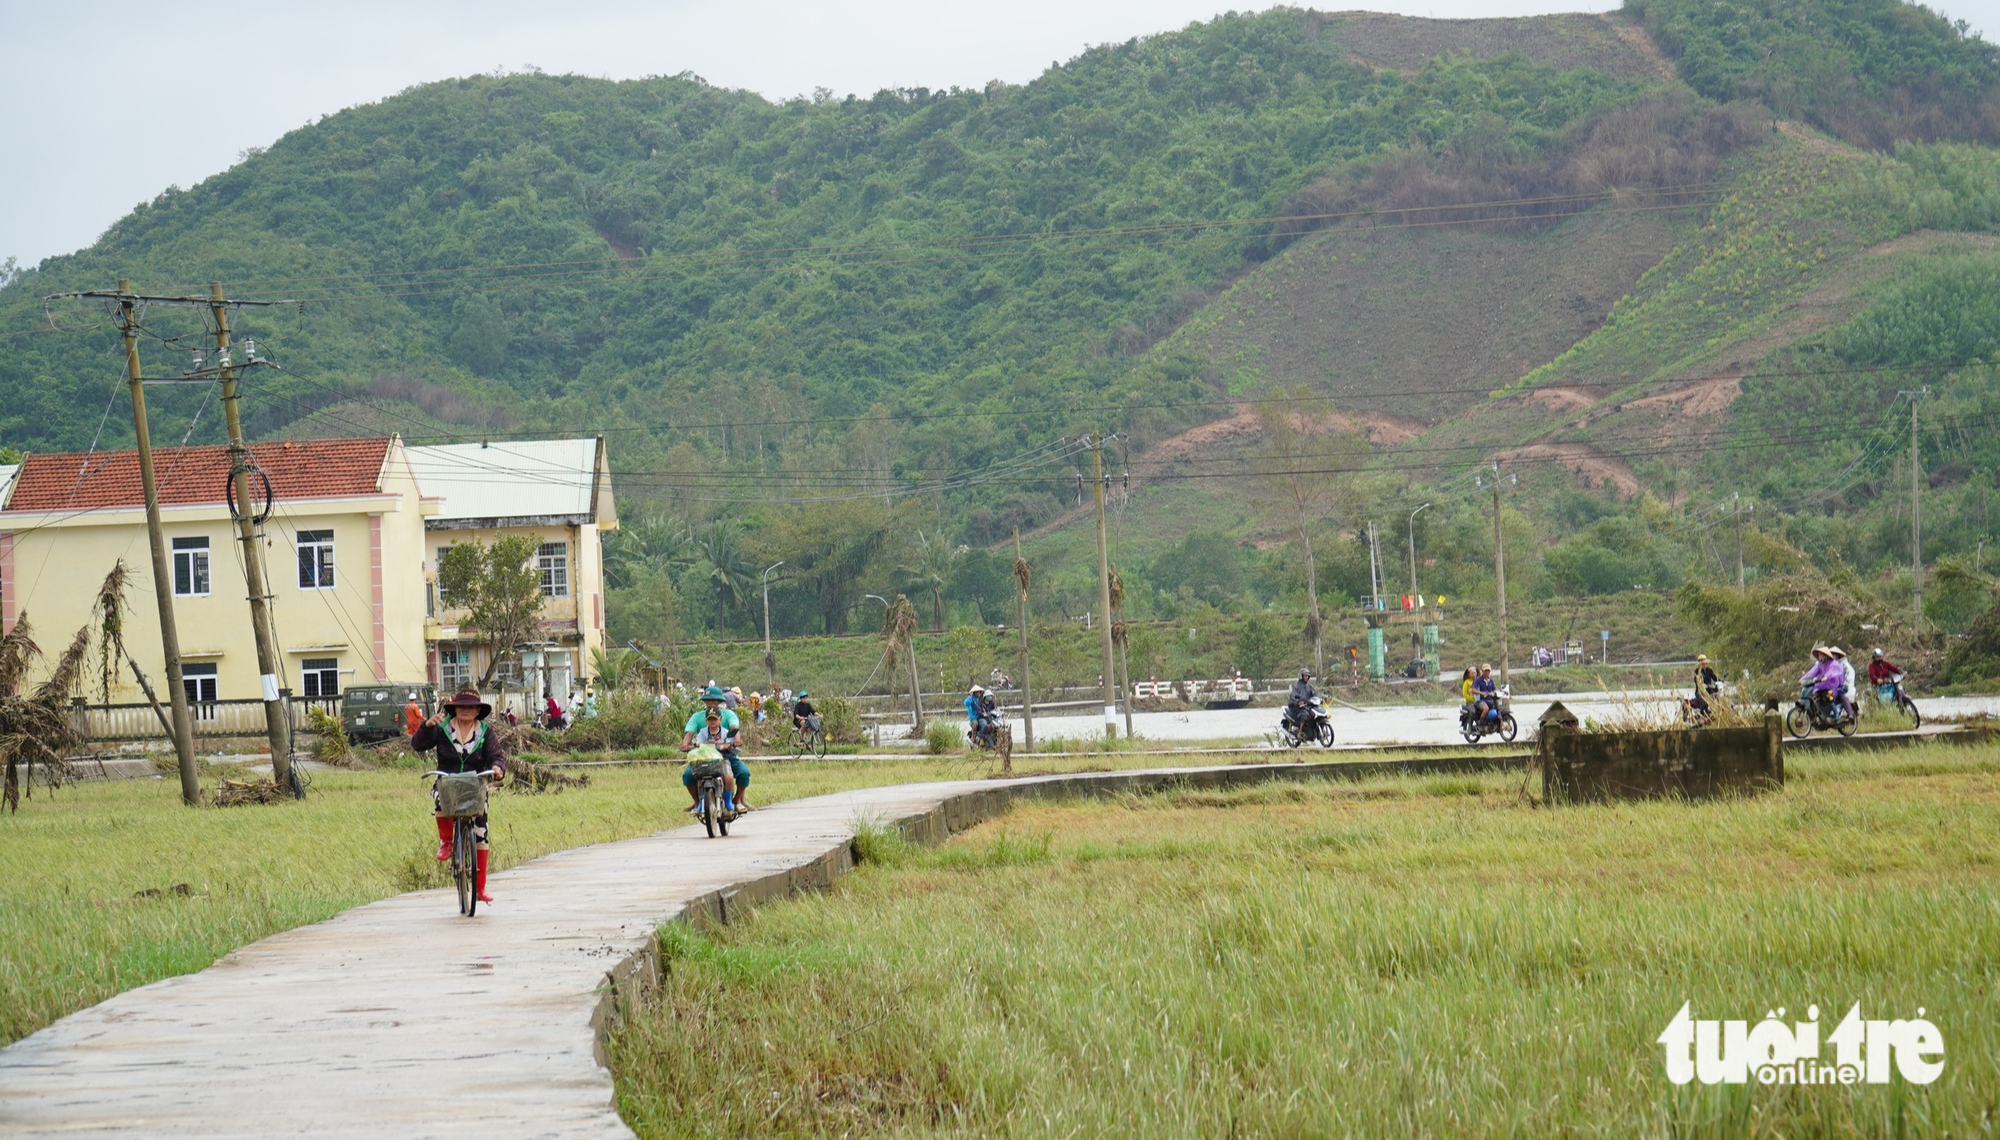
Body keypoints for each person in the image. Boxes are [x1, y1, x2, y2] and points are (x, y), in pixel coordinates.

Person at [412, 689, 506, 904]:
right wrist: (426, 726)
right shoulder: (441, 728)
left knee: (481, 832)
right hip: (447, 781)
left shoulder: (485, 731)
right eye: (461, 706)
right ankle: (447, 842)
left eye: (471, 706)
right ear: (454, 708)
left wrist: (497, 768)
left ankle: (480, 889)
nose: (466, 710)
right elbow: (417, 745)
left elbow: (497, 756)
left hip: (475, 784)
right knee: (439, 800)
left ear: (477, 711)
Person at [681, 685, 752, 810]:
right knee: (688, 776)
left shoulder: (728, 714)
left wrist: (737, 740)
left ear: (719, 702)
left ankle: (736, 800)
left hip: (725, 756)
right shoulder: (698, 718)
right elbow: (690, 733)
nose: (710, 703)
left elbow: (734, 728)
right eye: (708, 700)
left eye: (713, 700)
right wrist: (685, 744)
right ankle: (698, 802)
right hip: (704, 757)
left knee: (744, 773)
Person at [681, 709, 740, 814]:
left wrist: (727, 744)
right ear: (706, 720)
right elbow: (698, 741)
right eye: (710, 719)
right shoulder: (703, 732)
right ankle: (700, 802)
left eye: (715, 719)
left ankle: (727, 801)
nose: (712, 721)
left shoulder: (725, 732)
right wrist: (696, 744)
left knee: (729, 777)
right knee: (699, 776)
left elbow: (730, 742)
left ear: (720, 720)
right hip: (706, 759)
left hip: (721, 759)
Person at [1800, 647, 1842, 712]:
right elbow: (1812, 672)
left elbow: (1831, 672)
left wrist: (1826, 677)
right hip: (1821, 683)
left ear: (1825, 656)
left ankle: (1835, 714)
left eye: (1821, 655)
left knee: (1828, 697)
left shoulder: (1833, 663)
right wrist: (1803, 678)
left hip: (1831, 684)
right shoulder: (1820, 664)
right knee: (1815, 695)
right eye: (1819, 655)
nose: (1819, 656)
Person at [1828, 646, 1857, 719]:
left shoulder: (1844, 664)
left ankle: (1850, 713)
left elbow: (1850, 674)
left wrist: (1845, 684)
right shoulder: (1830, 665)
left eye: (1833, 654)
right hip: (1834, 687)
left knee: (1842, 695)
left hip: (1845, 687)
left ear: (1837, 655)